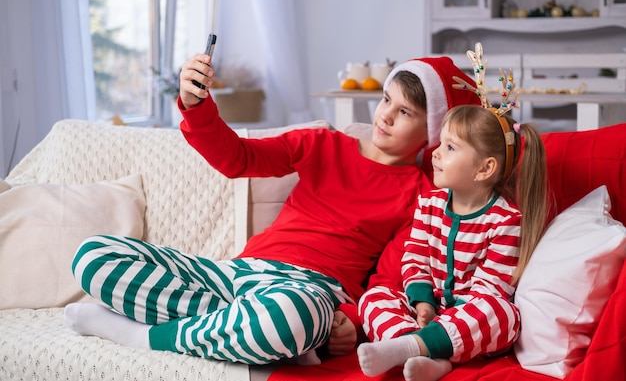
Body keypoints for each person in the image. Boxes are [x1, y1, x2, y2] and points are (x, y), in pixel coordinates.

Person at [63, 51, 481, 366]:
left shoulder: (424, 196)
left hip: (311, 294)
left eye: (404, 111)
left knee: (288, 318)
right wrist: (196, 106)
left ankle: (145, 337)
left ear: (431, 131)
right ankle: (241, 325)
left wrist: (351, 320)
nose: (385, 115)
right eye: (386, 99)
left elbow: (389, 280)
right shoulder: (322, 143)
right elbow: (238, 159)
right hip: (235, 274)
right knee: (93, 256)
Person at [355, 55, 549, 380]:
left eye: (450, 147)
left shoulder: (505, 220)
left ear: (485, 168)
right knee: (374, 297)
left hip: (469, 316)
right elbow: (414, 259)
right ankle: (425, 355)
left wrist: (449, 318)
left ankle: (409, 348)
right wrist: (422, 303)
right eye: (440, 143)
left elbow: (491, 289)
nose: (434, 153)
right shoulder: (429, 204)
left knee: (501, 314)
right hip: (429, 310)